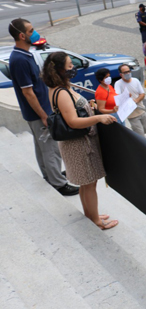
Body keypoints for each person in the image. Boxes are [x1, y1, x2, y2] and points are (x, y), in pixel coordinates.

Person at [42, 52, 119, 229]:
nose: (72, 68)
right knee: (90, 183)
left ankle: (91, 215)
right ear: (59, 70)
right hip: (79, 145)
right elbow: (73, 122)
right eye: (69, 66)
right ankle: (97, 222)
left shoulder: (60, 87)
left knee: (86, 184)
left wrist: (88, 107)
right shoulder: (61, 92)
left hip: (79, 143)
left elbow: (74, 112)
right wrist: (98, 118)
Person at [8, 18, 78, 196]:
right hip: (38, 113)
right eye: (31, 30)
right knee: (50, 147)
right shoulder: (19, 59)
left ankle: (50, 175)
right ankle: (59, 184)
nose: (35, 33)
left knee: (42, 146)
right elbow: (28, 93)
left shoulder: (24, 55)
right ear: (22, 35)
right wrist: (44, 115)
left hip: (37, 111)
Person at [114, 64, 146, 137]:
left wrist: (136, 101)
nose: (127, 73)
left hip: (141, 110)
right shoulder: (118, 84)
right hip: (132, 115)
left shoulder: (135, 80)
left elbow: (142, 94)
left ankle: (135, 133)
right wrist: (126, 97)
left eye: (128, 71)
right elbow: (118, 97)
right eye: (125, 72)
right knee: (141, 135)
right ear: (121, 74)